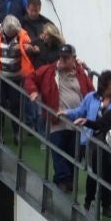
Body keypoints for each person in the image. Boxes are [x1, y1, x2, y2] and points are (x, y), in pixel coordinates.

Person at [27, 43, 94, 191]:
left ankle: (67, 180)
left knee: (73, 154)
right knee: (58, 151)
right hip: (56, 119)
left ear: (73, 59)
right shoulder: (49, 71)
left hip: (77, 122)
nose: (62, 61)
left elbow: (91, 92)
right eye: (61, 57)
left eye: (66, 58)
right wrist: (33, 91)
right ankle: (62, 180)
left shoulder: (81, 74)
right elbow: (31, 78)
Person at [67, 71, 111, 216]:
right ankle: (89, 200)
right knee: (93, 173)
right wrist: (67, 113)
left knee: (107, 174)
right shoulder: (91, 97)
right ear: (103, 84)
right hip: (89, 141)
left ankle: (106, 205)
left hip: (107, 143)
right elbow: (80, 111)